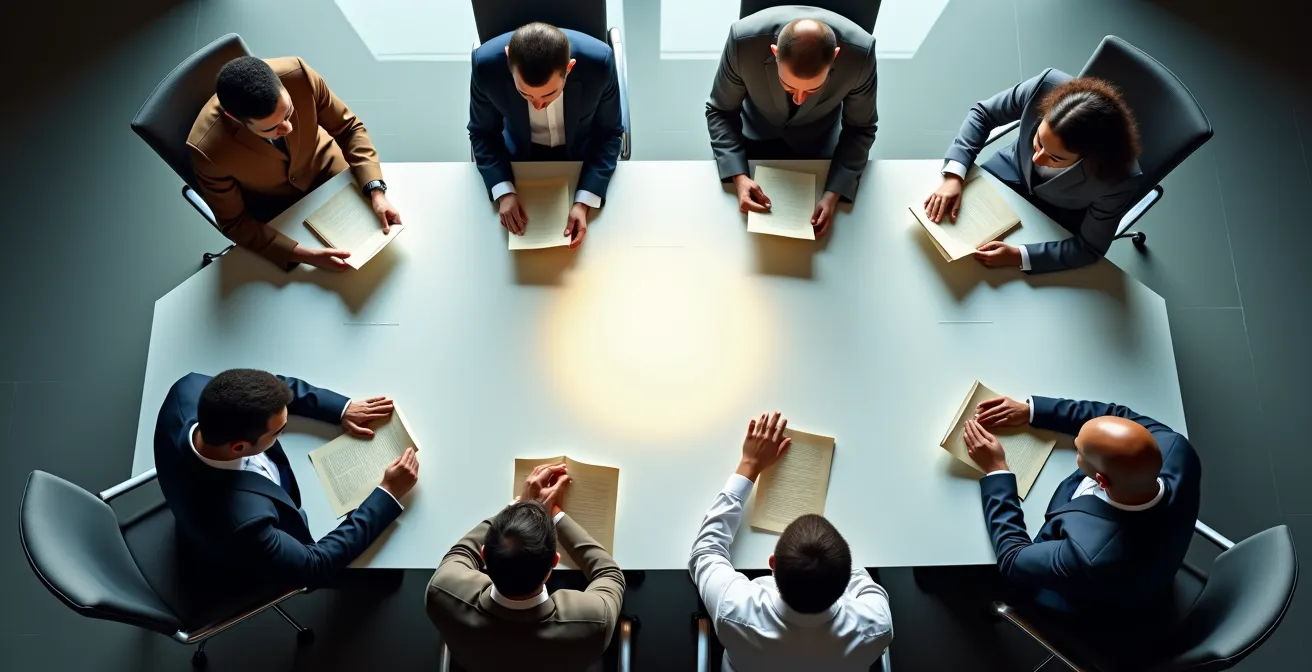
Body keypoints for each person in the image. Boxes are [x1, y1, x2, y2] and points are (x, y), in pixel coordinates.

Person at [154, 369, 419, 588]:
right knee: (385, 573)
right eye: (279, 431)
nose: (284, 427)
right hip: (256, 555)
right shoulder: (245, 523)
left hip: (206, 504)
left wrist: (340, 409)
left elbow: (267, 390)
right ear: (238, 447)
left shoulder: (190, 389)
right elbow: (314, 565)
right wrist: (387, 493)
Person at [690, 412, 894, 671]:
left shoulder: (735, 608)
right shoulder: (875, 624)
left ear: (772, 563)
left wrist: (749, 464)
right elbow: (867, 587)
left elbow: (705, 552)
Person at [963, 395, 1200, 615]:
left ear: (1101, 480)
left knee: (953, 576)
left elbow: (1014, 560)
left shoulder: (1091, 554)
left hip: (1091, 601)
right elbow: (1114, 416)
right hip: (1156, 563)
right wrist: (1032, 411)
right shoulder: (1175, 447)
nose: (1075, 445)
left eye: (1078, 450)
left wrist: (997, 470)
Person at [189, 56, 401, 271]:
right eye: (271, 129)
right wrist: (303, 255)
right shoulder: (207, 150)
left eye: (289, 113)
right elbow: (235, 222)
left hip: (328, 168)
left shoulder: (298, 74)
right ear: (234, 119)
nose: (288, 129)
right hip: (280, 210)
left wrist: (376, 190)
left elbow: (349, 129)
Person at [924, 72, 1142, 273]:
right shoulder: (1044, 86)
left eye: (1055, 158)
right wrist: (954, 176)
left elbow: (1089, 248)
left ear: (1090, 157)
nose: (1037, 159)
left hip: (1053, 218)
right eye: (1038, 141)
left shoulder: (1119, 178)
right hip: (1005, 173)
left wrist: (1019, 256)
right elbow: (983, 114)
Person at [426, 463, 626, 671]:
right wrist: (554, 515)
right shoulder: (593, 620)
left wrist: (521, 505)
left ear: (484, 554)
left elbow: (462, 552)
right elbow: (610, 574)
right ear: (554, 563)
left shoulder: (442, 592)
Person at [706, 9, 879, 237]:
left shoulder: (861, 55)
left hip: (819, 143)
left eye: (813, 89)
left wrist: (833, 193)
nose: (798, 98)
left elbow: (861, 128)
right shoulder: (742, 42)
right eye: (788, 86)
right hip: (751, 136)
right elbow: (720, 110)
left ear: (836, 55)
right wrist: (738, 176)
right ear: (774, 53)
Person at [469, 22, 624, 249]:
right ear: (507, 57)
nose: (538, 105)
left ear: (569, 68)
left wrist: (584, 202)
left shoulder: (599, 64)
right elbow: (482, 133)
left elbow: (610, 133)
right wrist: (504, 191)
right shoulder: (486, 66)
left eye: (550, 93)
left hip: (581, 158)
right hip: (518, 159)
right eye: (525, 93)